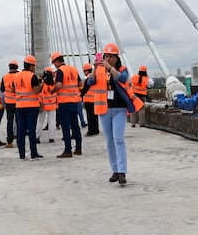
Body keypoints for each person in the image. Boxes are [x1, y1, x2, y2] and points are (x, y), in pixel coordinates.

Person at [87, 43, 143, 185]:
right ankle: (115, 170)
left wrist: (109, 67)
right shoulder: (99, 70)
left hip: (119, 109)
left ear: (117, 58)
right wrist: (95, 67)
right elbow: (90, 81)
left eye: (111, 56)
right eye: (106, 56)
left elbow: (122, 78)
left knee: (119, 139)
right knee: (109, 141)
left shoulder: (121, 69)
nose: (109, 58)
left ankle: (122, 171)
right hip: (104, 109)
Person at [52, 51, 82, 158]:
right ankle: (78, 149)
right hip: (74, 101)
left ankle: (68, 150)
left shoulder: (60, 71)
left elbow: (59, 85)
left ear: (56, 61)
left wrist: (53, 90)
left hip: (64, 102)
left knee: (65, 126)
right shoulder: (73, 69)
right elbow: (80, 84)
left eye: (54, 62)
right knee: (75, 125)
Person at [12, 55, 43, 160]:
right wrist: (41, 85)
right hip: (31, 107)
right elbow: (36, 90)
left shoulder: (16, 76)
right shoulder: (32, 76)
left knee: (21, 130)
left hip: (19, 106)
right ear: (30, 66)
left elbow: (12, 90)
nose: (34, 68)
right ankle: (33, 153)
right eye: (34, 66)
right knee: (31, 130)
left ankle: (22, 154)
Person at [0, 60, 19, 148]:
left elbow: (3, 89)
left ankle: (10, 142)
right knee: (19, 122)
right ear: (17, 67)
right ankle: (19, 140)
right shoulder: (19, 75)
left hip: (8, 103)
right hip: (18, 102)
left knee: (9, 122)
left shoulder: (4, 77)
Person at [36, 66, 57, 143]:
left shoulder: (42, 85)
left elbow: (38, 94)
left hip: (43, 105)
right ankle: (51, 138)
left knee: (40, 121)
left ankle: (37, 137)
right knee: (52, 121)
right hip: (52, 105)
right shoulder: (54, 84)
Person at [80, 60, 99, 136]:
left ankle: (91, 131)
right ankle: (96, 129)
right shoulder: (94, 77)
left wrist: (80, 96)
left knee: (90, 117)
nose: (84, 73)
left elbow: (84, 90)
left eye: (84, 71)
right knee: (95, 116)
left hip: (88, 100)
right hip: (94, 99)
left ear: (87, 71)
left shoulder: (89, 78)